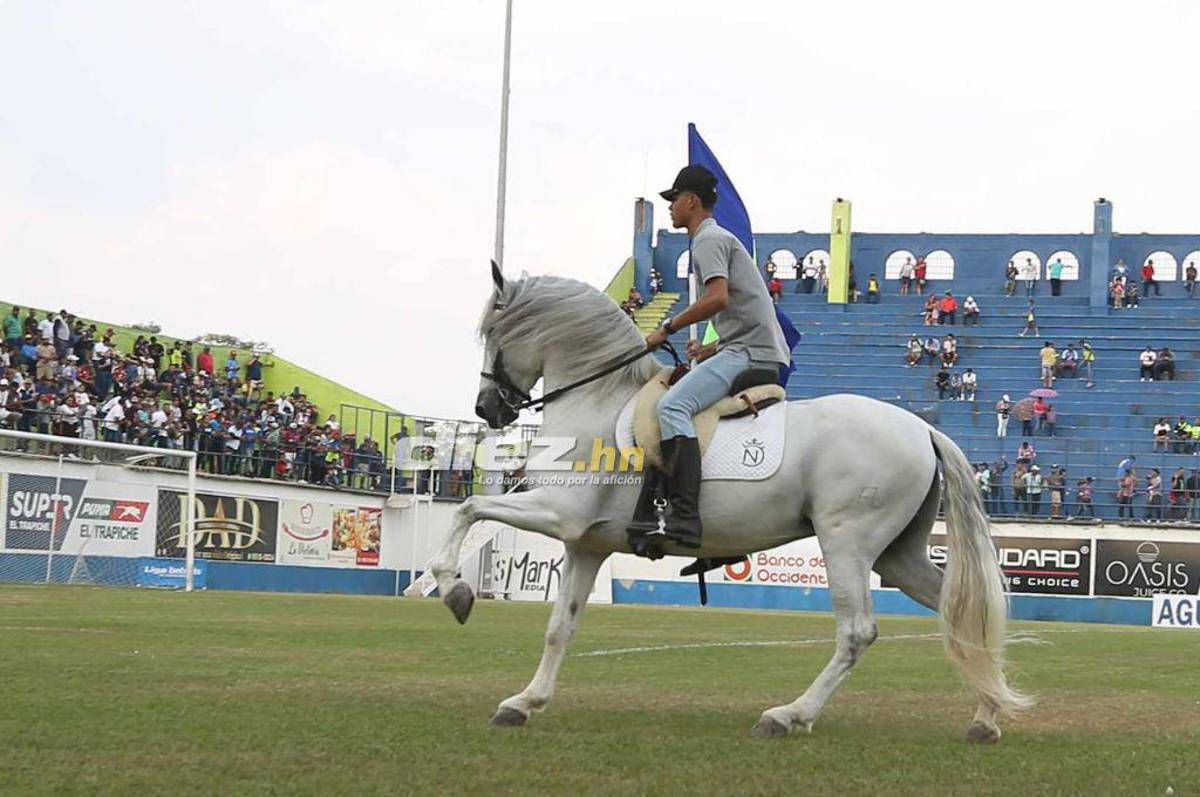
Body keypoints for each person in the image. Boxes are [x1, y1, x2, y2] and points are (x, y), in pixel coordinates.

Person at [635, 165, 790, 550]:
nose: (671, 208)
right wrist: (709, 349)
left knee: (672, 407)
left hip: (751, 354)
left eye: (674, 201)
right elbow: (739, 308)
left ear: (692, 201)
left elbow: (717, 298)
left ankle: (685, 516)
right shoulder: (716, 239)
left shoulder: (707, 240)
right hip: (748, 347)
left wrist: (667, 328)